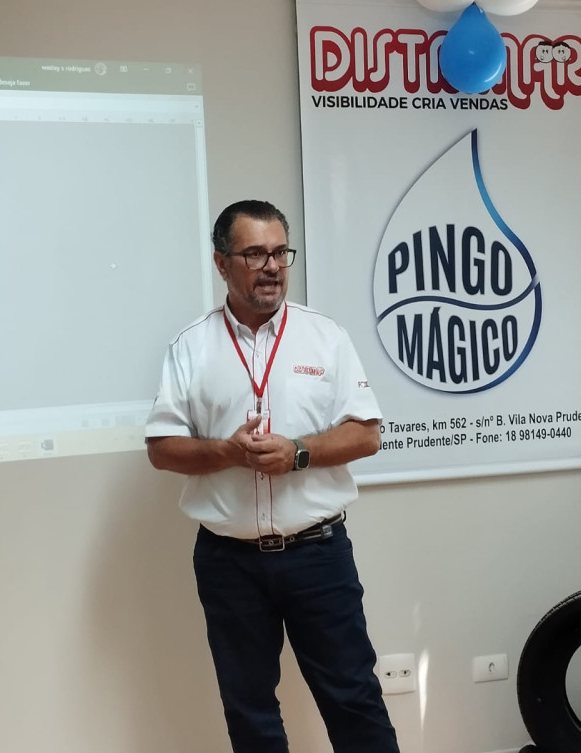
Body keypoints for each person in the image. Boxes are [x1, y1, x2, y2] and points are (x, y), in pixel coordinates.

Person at [145, 199, 399, 753]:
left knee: (354, 699)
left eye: (281, 253)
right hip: (228, 563)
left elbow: (366, 434)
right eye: (255, 253)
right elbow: (161, 449)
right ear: (222, 263)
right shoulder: (190, 346)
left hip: (318, 555)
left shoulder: (325, 337)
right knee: (249, 711)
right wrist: (226, 452)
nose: (272, 267)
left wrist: (298, 452)